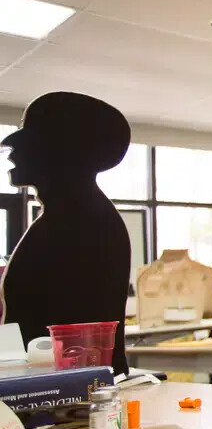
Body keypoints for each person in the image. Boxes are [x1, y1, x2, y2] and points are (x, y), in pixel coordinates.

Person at [0, 92, 131, 375]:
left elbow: (72, 330)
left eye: (28, 145)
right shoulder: (68, 215)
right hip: (55, 388)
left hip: (68, 395)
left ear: (58, 154)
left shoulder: (82, 221)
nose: (12, 153)